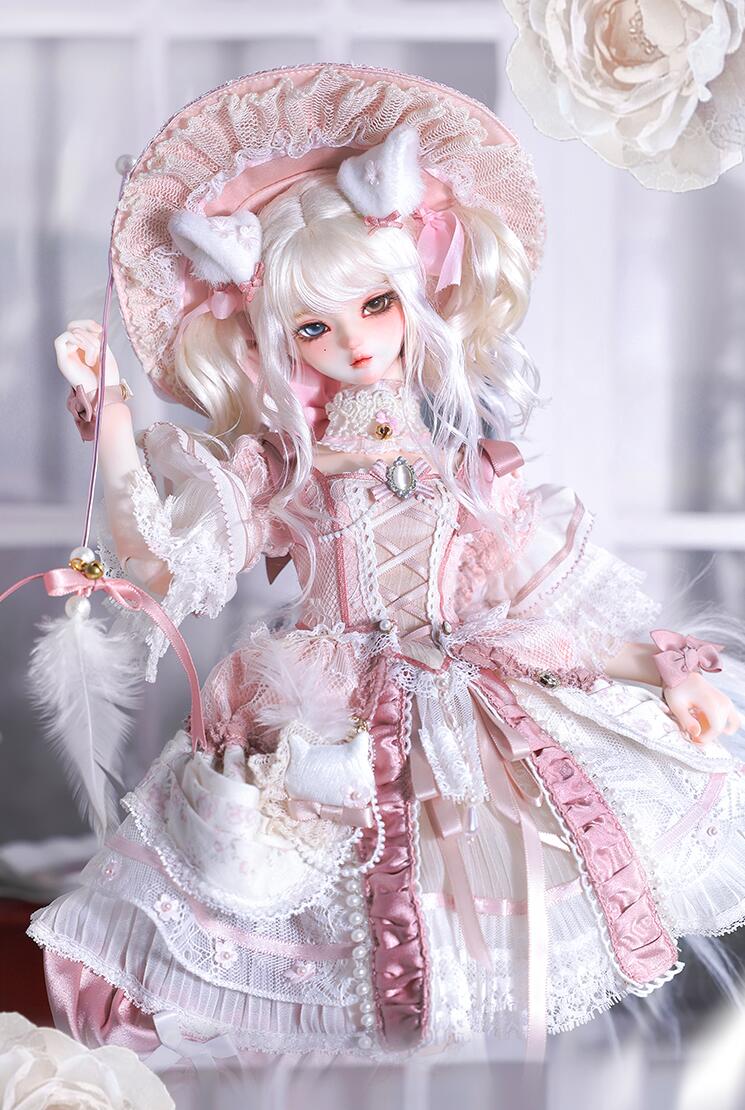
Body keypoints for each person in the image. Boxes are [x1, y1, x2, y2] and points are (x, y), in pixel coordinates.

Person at [28, 62, 745, 1063]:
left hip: (479, 690)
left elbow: (541, 602)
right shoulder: (281, 470)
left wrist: (662, 668)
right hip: (332, 711)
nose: (356, 344)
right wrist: (109, 419)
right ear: (274, 338)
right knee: (289, 886)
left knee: (511, 895)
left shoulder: (469, 467)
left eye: (375, 304)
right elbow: (158, 563)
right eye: (313, 327)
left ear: (412, 293)